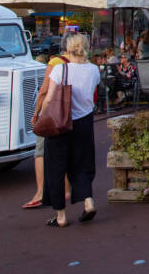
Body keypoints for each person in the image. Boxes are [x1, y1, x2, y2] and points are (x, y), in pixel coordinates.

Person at [37, 34, 100, 228]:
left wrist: (40, 116)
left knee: (56, 166)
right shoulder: (94, 70)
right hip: (84, 121)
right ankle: (88, 201)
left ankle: (61, 215)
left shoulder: (60, 69)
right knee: (82, 163)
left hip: (60, 122)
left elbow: (49, 98)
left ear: (67, 48)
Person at [23, 35, 71, 210]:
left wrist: (36, 113)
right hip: (68, 112)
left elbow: (44, 90)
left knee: (40, 152)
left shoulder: (55, 63)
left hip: (51, 112)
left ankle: (40, 192)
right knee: (62, 152)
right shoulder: (75, 62)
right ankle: (67, 189)